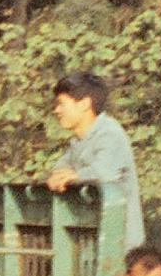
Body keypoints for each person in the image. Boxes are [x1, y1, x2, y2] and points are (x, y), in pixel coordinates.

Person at [44, 70, 146, 248]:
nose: (56, 110)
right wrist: (57, 178)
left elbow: (104, 172)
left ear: (84, 104)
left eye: (61, 104)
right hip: (93, 244)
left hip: (122, 249)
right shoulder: (78, 142)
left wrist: (73, 177)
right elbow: (60, 170)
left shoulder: (110, 133)